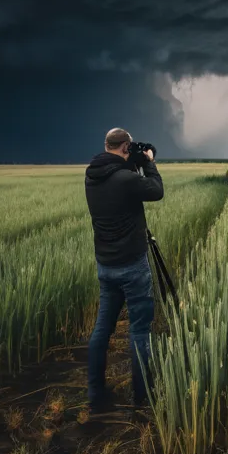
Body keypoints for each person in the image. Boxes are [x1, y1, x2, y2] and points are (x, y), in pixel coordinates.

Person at [84, 127, 164, 413]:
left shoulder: (92, 174)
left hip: (106, 266)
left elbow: (116, 173)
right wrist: (149, 163)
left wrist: (132, 161)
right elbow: (156, 191)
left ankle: (95, 393)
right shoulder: (126, 179)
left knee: (102, 329)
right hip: (132, 265)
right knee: (139, 330)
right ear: (126, 147)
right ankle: (141, 398)